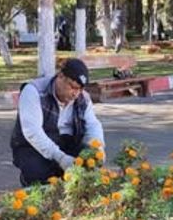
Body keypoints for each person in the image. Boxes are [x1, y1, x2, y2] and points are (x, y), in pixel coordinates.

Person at [11, 58, 105, 186]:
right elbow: (33, 132)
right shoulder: (34, 91)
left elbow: (93, 125)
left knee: (88, 166)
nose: (76, 94)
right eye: (72, 87)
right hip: (33, 145)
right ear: (60, 76)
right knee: (39, 174)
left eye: (80, 89)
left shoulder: (83, 98)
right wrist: (60, 158)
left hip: (67, 141)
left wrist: (97, 147)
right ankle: (29, 180)